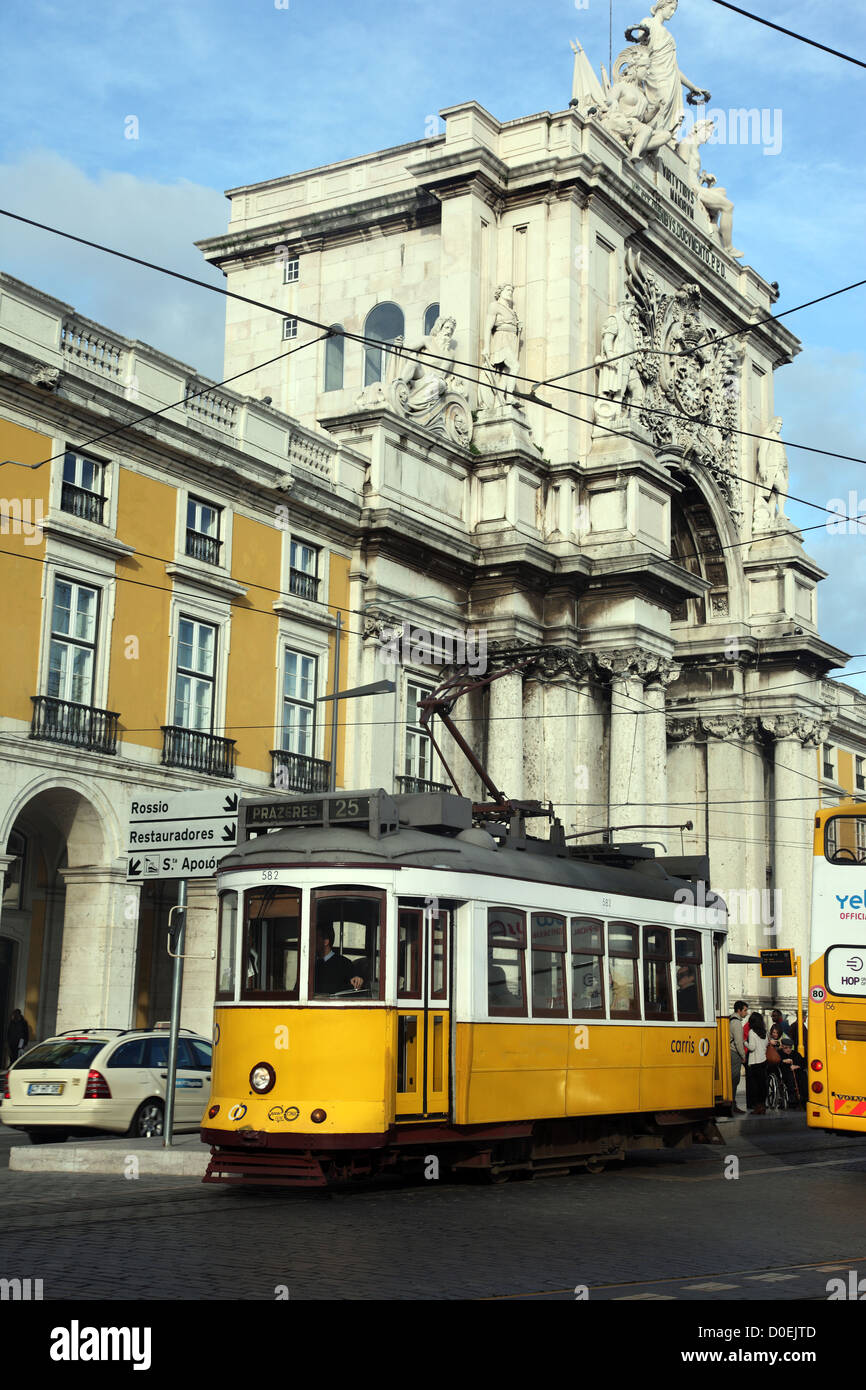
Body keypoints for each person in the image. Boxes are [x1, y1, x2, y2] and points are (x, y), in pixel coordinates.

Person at [314, 927, 365, 996]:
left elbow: (356, 982)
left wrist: (358, 979)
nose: (311, 942)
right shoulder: (312, 964)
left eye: (315, 939)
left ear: (325, 942)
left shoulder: (344, 963)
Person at [745, 1011, 768, 1114]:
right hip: (763, 1060)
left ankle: (758, 1107)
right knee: (762, 1085)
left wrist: (744, 1042)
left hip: (755, 1062)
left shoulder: (752, 1032)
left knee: (756, 1086)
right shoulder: (764, 1032)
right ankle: (762, 1106)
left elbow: (752, 1047)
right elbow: (766, 1045)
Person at [729, 1001, 748, 1114]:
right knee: (734, 1079)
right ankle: (732, 1104)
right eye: (745, 1010)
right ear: (739, 1010)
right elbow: (738, 1042)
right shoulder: (736, 1023)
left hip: (731, 1052)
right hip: (734, 1053)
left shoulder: (731, 1020)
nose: (746, 1012)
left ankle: (732, 1104)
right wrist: (743, 1055)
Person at [778, 1036, 806, 1107]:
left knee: (803, 1075)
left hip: (797, 1071)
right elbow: (775, 1063)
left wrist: (797, 1066)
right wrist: (783, 1061)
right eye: (786, 1048)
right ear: (782, 1047)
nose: (788, 1050)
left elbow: (803, 1063)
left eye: (790, 1048)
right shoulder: (779, 1054)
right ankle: (793, 1098)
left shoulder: (795, 1054)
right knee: (790, 1077)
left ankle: (804, 1096)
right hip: (785, 1073)